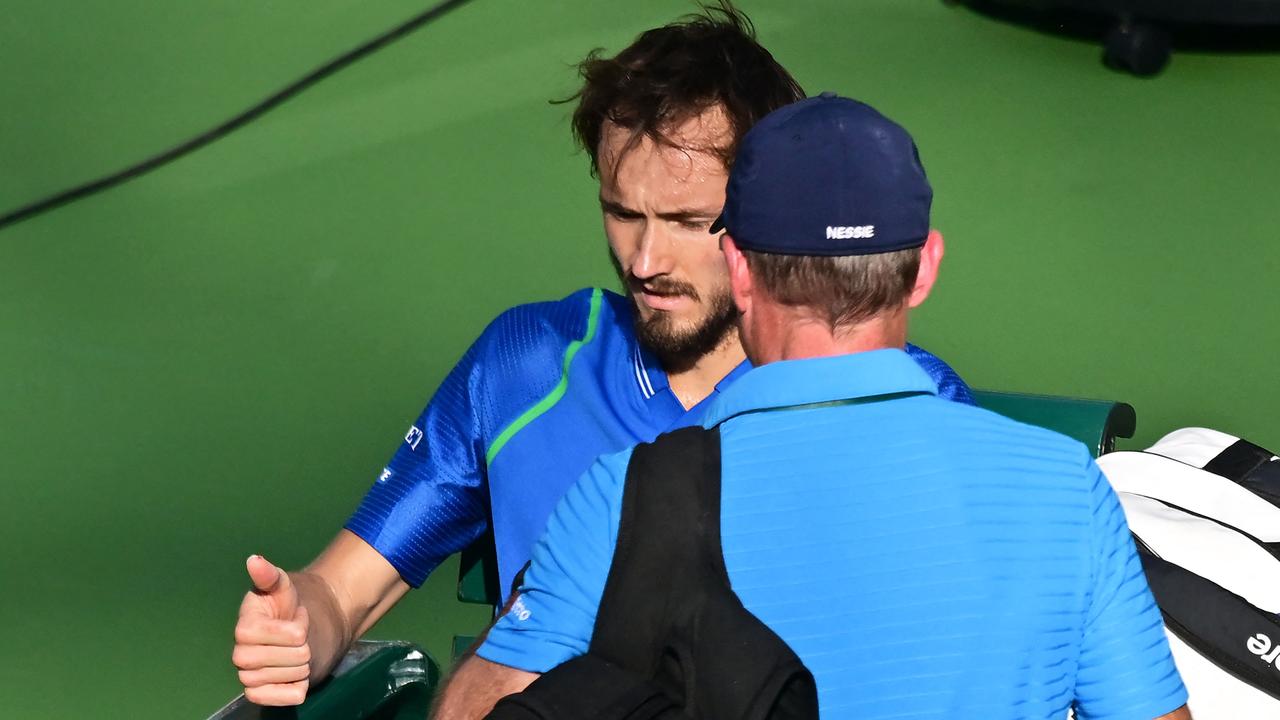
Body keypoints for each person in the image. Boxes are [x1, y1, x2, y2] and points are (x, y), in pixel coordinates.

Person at [231, 5, 972, 707]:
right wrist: (301, 626)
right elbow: (344, 589)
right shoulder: (524, 367)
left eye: (689, 221)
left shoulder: (901, 397)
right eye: (623, 212)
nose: (646, 259)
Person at [433, 95, 1191, 719]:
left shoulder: (622, 496)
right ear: (924, 267)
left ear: (739, 267)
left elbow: (478, 709)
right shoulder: (1064, 490)